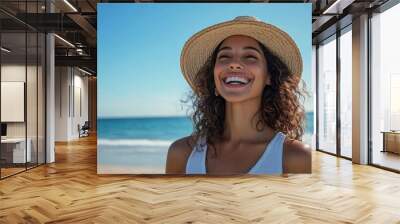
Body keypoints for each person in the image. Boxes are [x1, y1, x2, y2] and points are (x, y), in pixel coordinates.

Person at [166, 16, 311, 175]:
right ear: (213, 78)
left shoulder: (296, 157)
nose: (233, 64)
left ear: (270, 76)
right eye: (224, 57)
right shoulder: (182, 153)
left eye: (250, 56)